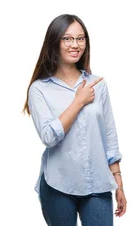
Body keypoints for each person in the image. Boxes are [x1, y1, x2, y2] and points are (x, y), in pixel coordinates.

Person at [23, 14, 127, 226]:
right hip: (58, 185)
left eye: (80, 39)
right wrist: (78, 102)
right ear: (54, 43)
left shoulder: (98, 84)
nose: (75, 45)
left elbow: (109, 137)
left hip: (98, 183)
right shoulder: (39, 89)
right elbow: (49, 137)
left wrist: (119, 185)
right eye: (67, 39)